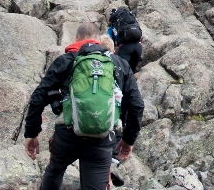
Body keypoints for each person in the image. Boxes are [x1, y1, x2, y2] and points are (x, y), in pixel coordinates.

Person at [24, 21, 144, 190]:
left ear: (76, 38)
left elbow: (38, 97)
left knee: (55, 170)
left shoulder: (66, 60)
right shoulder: (118, 63)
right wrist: (128, 140)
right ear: (99, 41)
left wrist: (31, 133)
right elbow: (137, 105)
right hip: (102, 139)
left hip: (67, 136)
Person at [108, 6, 143, 73]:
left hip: (125, 48)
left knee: (121, 71)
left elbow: (109, 39)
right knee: (132, 70)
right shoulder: (132, 20)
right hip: (138, 47)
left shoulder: (114, 25)